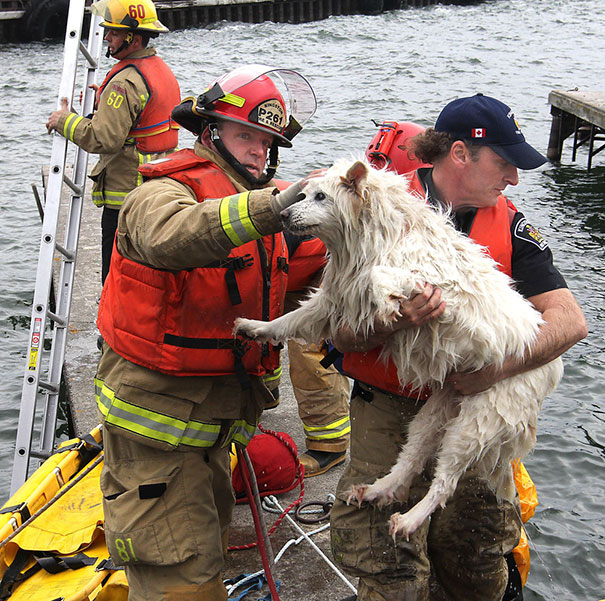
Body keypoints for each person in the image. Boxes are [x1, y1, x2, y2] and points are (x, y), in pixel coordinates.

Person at [329, 94, 588, 601]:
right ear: (460, 154)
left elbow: (570, 322)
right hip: (386, 409)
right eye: (505, 163)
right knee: (387, 567)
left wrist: (497, 370)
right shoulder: (373, 213)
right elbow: (339, 335)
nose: (514, 179)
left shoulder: (511, 226)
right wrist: (393, 322)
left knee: (477, 553)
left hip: (472, 405)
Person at [93, 65, 318, 601]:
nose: (261, 151)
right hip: (156, 434)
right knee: (183, 582)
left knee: (204, 557)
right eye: (247, 136)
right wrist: (272, 207)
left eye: (268, 141)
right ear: (209, 131)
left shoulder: (259, 209)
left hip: (210, 431)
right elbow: (174, 235)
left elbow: (306, 273)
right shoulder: (162, 193)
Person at [46, 0, 180, 284]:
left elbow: (103, 137)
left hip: (126, 196)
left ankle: (110, 325)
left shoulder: (125, 82)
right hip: (157, 187)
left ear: (133, 37)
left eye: (114, 33)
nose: (106, 37)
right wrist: (107, 102)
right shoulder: (158, 69)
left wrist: (64, 120)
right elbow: (144, 118)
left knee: (115, 274)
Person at [284, 231, 351, 477]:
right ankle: (266, 391)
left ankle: (329, 443)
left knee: (314, 352)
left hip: (323, 268)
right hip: (276, 271)